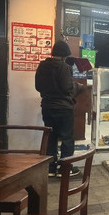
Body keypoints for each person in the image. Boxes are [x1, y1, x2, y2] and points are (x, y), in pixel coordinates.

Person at [35, 40, 84, 177]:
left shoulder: (42, 66)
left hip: (47, 107)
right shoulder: (64, 67)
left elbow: (38, 87)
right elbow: (67, 87)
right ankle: (65, 169)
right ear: (65, 55)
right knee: (67, 138)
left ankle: (51, 168)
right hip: (63, 108)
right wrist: (78, 86)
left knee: (51, 137)